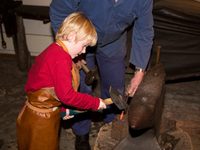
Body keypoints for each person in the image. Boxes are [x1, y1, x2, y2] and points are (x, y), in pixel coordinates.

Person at [49, 0, 154, 149]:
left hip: (113, 43)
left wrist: (140, 72)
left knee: (116, 87)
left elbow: (144, 30)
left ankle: (111, 129)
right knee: (81, 89)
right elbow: (59, 10)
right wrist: (68, 50)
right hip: (80, 40)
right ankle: (81, 134)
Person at [16, 12, 107, 150]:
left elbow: (52, 87)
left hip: (42, 112)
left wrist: (65, 109)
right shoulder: (61, 59)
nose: (84, 51)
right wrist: (94, 103)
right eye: (83, 46)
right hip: (40, 120)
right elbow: (67, 95)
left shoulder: (56, 50)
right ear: (71, 36)